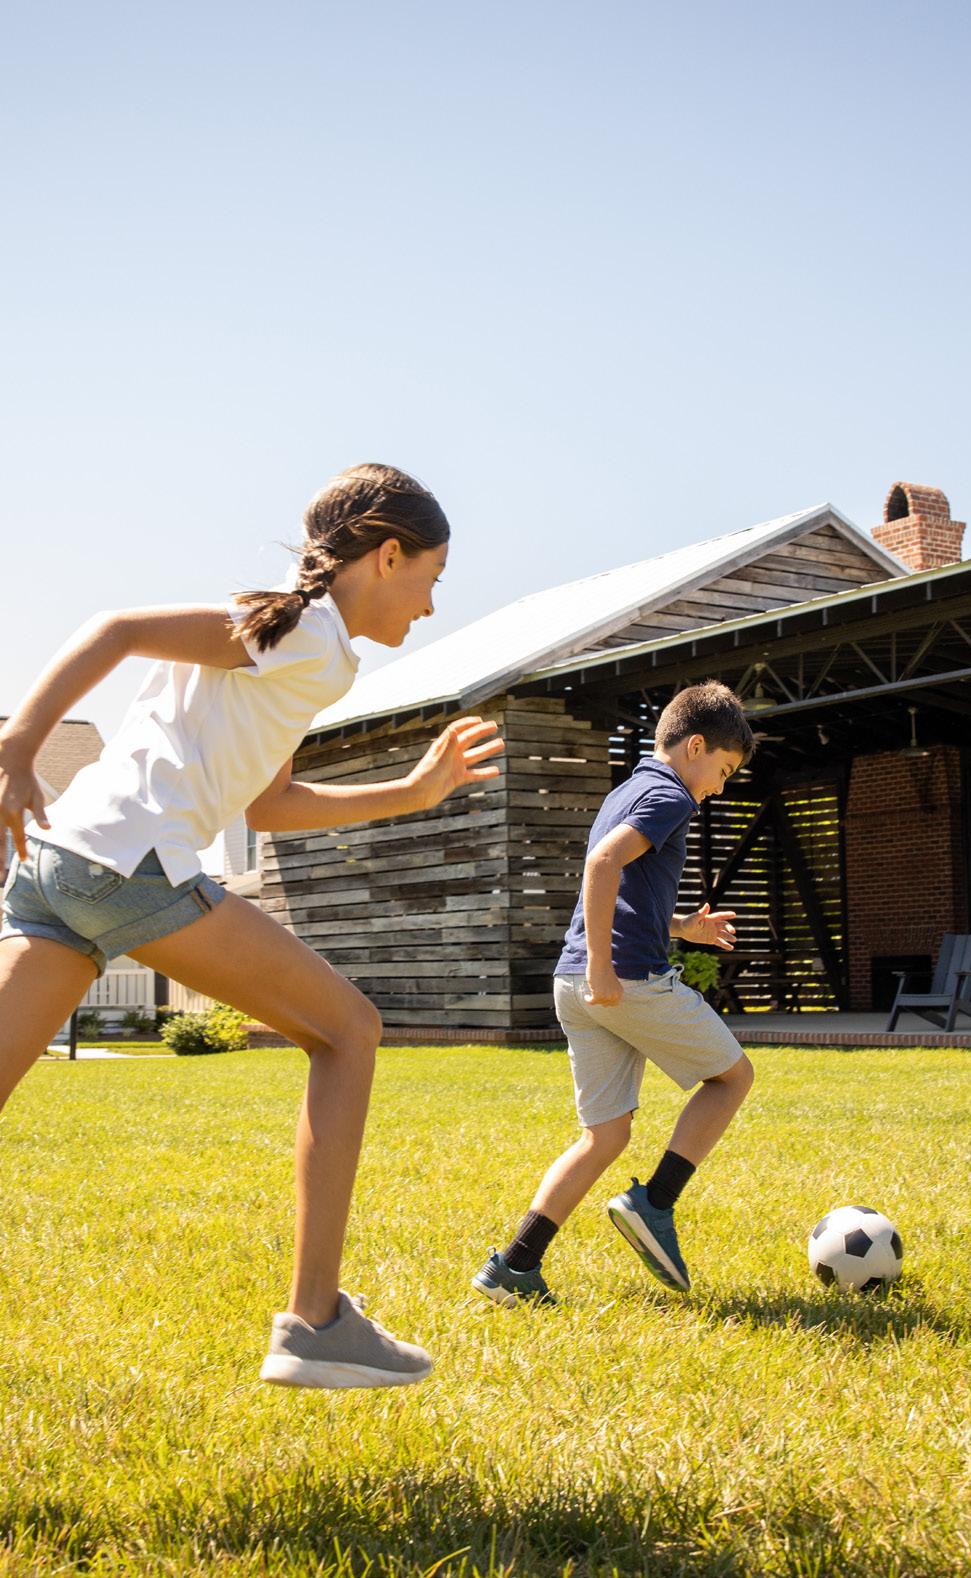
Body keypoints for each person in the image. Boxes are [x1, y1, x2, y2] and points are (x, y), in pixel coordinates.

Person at [0, 463, 502, 1388]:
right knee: (349, 1030)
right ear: (389, 556)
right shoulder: (306, 632)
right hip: (131, 867)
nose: (431, 605)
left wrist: (412, 791)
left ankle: (318, 1323)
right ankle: (314, 1322)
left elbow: (268, 804)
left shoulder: (299, 644)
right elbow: (114, 628)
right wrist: (19, 745)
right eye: (432, 578)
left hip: (59, 868)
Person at [473, 681, 756, 1306]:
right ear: (696, 746)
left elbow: (623, 891)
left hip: (573, 982)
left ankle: (514, 1267)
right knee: (732, 1078)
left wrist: (681, 927)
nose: (719, 787)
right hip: (621, 978)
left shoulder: (626, 790)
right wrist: (605, 968)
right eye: (724, 770)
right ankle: (655, 1203)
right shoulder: (670, 794)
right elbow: (602, 865)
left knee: (603, 1136)